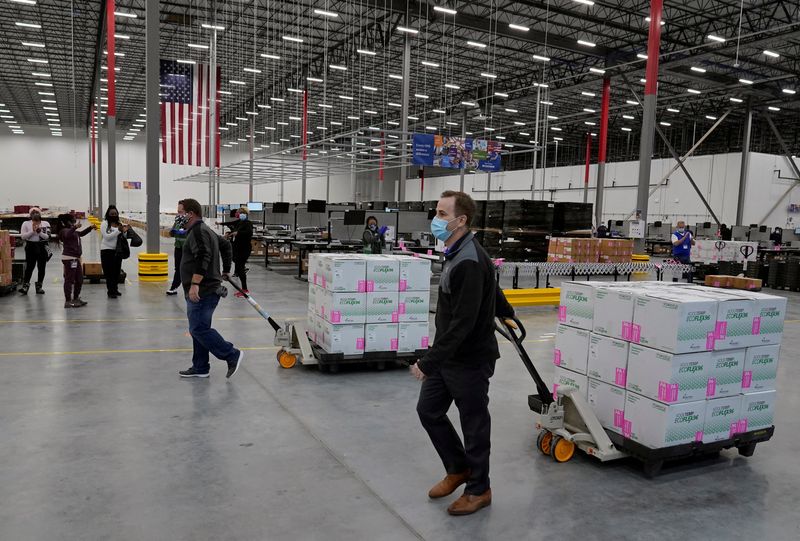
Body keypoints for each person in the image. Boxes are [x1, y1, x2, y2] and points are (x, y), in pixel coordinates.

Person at [411, 190, 515, 517]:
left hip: (469, 358)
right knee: (428, 410)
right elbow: (490, 284)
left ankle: (479, 489)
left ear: (461, 220)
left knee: (474, 424)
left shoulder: (468, 258)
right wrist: (506, 309)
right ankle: (458, 468)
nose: (436, 219)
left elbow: (463, 323)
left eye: (442, 214)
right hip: (450, 355)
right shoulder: (458, 250)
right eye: (437, 212)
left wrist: (429, 362)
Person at [178, 198, 243, 379]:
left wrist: (195, 284)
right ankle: (200, 367)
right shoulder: (205, 230)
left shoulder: (199, 231)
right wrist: (227, 270)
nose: (178, 216)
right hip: (207, 288)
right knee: (198, 328)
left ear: (190, 213)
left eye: (180, 212)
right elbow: (226, 245)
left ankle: (232, 354)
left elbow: (203, 256)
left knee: (198, 329)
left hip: (203, 290)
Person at [57, 213, 95, 308]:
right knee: (69, 280)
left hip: (75, 258)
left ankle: (76, 298)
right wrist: (74, 227)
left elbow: (81, 233)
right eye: (72, 220)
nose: (74, 221)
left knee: (79, 279)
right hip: (69, 258)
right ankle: (68, 301)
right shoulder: (64, 231)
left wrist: (90, 228)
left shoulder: (73, 231)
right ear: (67, 222)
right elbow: (67, 234)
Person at [217, 208, 254, 296]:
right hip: (237, 247)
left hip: (244, 248)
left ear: (244, 214)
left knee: (240, 268)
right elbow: (234, 229)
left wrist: (238, 233)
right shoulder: (239, 222)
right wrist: (229, 233)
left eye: (239, 213)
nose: (237, 214)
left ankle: (245, 289)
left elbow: (249, 233)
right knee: (238, 266)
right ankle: (244, 288)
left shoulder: (248, 223)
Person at [19, 207, 51, 295]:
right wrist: (32, 231)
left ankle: (39, 286)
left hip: (42, 246)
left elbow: (48, 237)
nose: (35, 214)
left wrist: (39, 232)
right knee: (29, 267)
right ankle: (25, 286)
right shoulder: (26, 223)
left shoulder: (45, 223)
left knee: (41, 267)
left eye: (36, 212)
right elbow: (23, 236)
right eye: (33, 212)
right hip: (30, 246)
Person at [100, 205, 127, 298]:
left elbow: (123, 236)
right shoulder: (104, 223)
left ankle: (115, 289)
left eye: (115, 213)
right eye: (112, 214)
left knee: (116, 272)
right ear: (108, 214)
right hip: (106, 251)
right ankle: (110, 291)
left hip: (117, 251)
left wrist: (125, 231)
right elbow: (107, 237)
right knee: (109, 272)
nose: (113, 215)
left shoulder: (119, 223)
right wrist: (118, 231)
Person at [166, 201, 190, 295]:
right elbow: (171, 233)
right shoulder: (177, 220)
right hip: (178, 247)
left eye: (181, 211)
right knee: (178, 268)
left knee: (188, 268)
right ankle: (174, 287)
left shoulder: (190, 221)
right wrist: (172, 232)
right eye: (178, 211)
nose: (178, 213)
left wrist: (186, 231)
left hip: (188, 248)